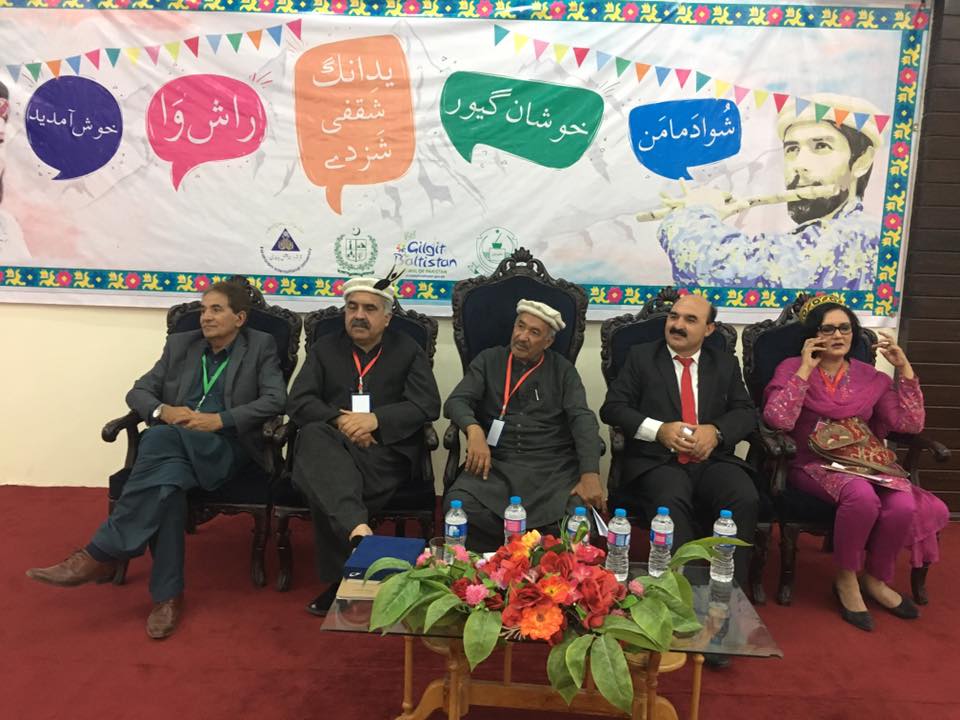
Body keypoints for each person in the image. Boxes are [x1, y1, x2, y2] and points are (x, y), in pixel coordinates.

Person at [27, 278, 287, 639]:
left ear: (239, 318)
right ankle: (167, 596)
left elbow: (276, 399)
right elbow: (139, 391)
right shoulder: (182, 345)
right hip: (176, 447)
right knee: (168, 484)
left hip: (226, 447)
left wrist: (220, 419)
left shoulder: (260, 346)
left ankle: (101, 554)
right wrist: (162, 410)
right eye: (203, 309)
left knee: (158, 439)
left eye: (216, 309)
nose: (206, 317)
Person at [763, 294, 948, 631]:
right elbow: (778, 420)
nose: (837, 335)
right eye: (828, 329)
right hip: (812, 461)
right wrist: (805, 368)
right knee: (860, 497)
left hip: (864, 461)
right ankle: (846, 577)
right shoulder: (791, 368)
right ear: (813, 334)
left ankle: (876, 578)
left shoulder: (870, 376)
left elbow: (909, 425)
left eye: (844, 328)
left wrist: (904, 369)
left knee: (903, 502)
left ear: (854, 333)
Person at [287, 273, 440, 616]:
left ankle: (343, 573)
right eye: (352, 307)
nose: (359, 315)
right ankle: (358, 535)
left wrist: (376, 420)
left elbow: (428, 404)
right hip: (332, 449)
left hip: (383, 454)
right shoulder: (325, 349)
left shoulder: (408, 350)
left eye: (369, 309)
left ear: (387, 317)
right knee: (315, 439)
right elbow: (298, 402)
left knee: (325, 482)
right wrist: (340, 420)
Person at [599, 294, 758, 585]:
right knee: (670, 499)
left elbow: (746, 412)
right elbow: (613, 408)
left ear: (708, 329)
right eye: (674, 317)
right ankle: (684, 591)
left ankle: (731, 591)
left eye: (690, 319)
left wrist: (716, 432)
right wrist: (659, 430)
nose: (677, 325)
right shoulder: (642, 357)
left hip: (712, 460)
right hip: (659, 461)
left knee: (743, 495)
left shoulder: (724, 363)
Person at [657, 93, 882, 290]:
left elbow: (734, 272)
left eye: (821, 146)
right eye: (792, 149)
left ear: (862, 161)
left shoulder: (857, 235)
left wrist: (696, 213)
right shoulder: (819, 235)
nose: (799, 164)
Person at [444, 299, 603, 552]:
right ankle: (490, 565)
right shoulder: (489, 360)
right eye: (520, 326)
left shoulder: (563, 371)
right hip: (496, 464)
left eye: (534, 332)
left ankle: (544, 569)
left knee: (576, 516)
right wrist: (473, 430)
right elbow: (456, 401)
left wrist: (590, 473)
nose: (522, 336)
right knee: (459, 505)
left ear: (548, 342)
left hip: (551, 469)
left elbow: (582, 418)